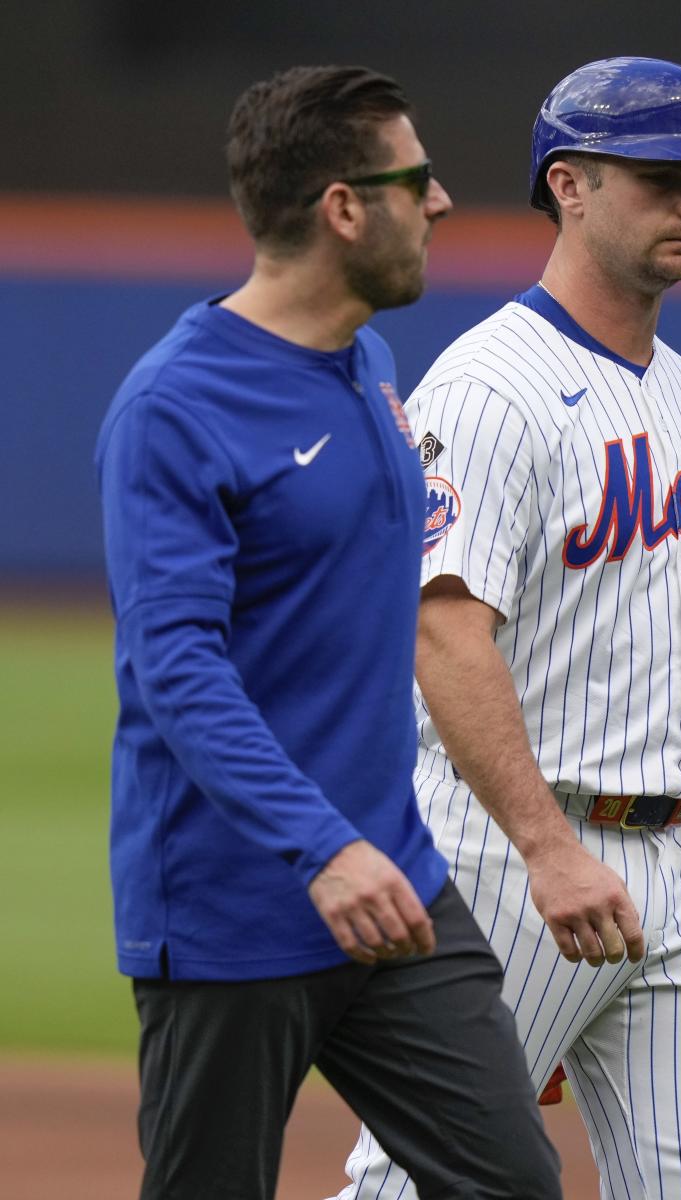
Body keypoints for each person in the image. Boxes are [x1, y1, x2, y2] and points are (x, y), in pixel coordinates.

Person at [95, 65, 561, 1200]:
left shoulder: (369, 363)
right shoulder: (175, 408)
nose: (442, 202)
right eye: (417, 180)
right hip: (235, 908)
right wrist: (321, 847)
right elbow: (179, 672)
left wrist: (366, 844)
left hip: (393, 883)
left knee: (513, 1183)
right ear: (345, 208)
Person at [337, 56, 681, 1200]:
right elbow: (443, 637)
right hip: (511, 854)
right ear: (568, 185)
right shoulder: (490, 389)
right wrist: (545, 846)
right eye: (663, 174)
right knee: (418, 1183)